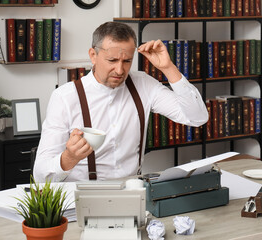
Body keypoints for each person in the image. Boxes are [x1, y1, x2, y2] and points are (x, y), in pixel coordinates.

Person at [33, 21, 208, 182]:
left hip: (134, 192)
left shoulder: (143, 84)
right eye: (112, 60)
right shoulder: (64, 97)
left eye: (127, 61)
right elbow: (41, 174)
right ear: (93, 55)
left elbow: (197, 117)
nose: (119, 70)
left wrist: (168, 68)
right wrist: (69, 158)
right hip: (83, 196)